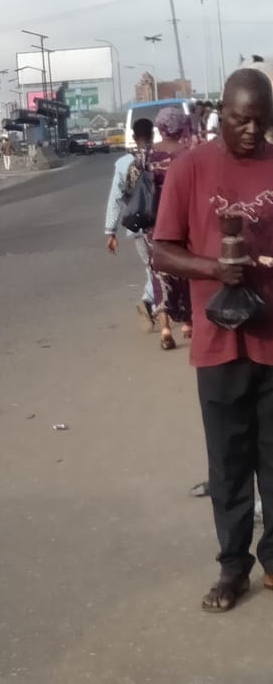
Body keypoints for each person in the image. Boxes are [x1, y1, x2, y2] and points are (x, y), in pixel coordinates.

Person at [153, 68, 273, 613]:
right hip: (219, 345)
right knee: (228, 463)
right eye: (241, 119)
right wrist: (213, 268)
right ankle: (233, 569)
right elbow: (161, 251)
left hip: (272, 339)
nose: (251, 131)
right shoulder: (190, 167)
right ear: (220, 112)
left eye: (261, 121)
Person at [143, 107, 192, 350]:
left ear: (160, 128)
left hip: (155, 223)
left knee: (159, 271)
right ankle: (187, 322)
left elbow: (133, 188)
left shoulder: (145, 156)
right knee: (186, 268)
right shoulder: (189, 154)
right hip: (185, 220)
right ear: (181, 126)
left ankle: (164, 327)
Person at [104, 117, 155, 332]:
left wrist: (111, 231)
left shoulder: (123, 164)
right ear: (152, 135)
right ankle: (149, 301)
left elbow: (115, 198)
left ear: (134, 138)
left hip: (137, 224)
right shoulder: (161, 158)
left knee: (150, 266)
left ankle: (152, 303)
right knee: (159, 267)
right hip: (162, 221)